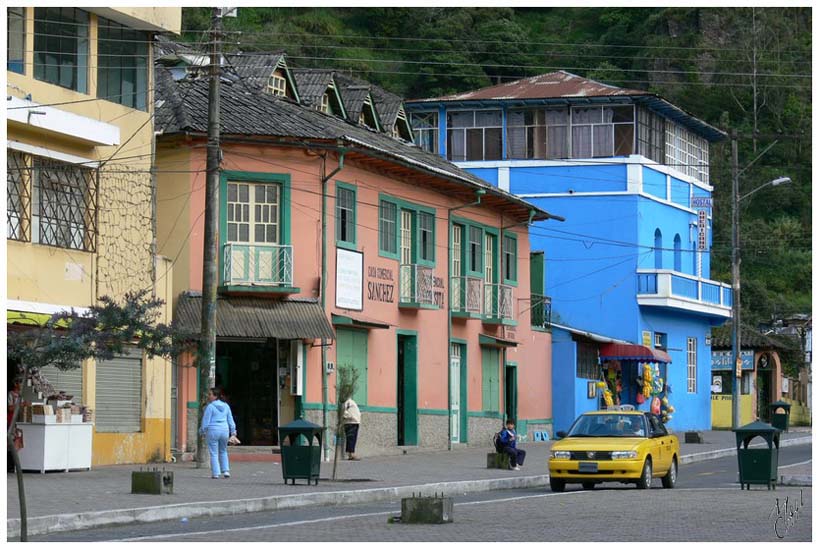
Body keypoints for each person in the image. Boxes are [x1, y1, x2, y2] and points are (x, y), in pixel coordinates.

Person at [199, 387, 237, 479]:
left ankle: (216, 473)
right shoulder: (226, 406)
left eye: (210, 394)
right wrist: (233, 431)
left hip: (213, 431)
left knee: (213, 453)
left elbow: (206, 421)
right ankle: (226, 471)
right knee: (223, 451)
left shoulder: (210, 407)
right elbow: (230, 419)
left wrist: (202, 431)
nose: (209, 396)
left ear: (215, 396)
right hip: (225, 430)